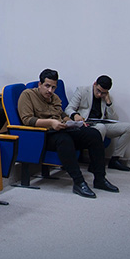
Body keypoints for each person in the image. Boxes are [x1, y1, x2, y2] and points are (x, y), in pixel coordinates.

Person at [18, 69, 118, 198]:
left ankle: (100, 178)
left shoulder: (54, 97)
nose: (50, 90)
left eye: (53, 87)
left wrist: (70, 121)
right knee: (64, 140)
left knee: (94, 134)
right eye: (47, 86)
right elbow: (27, 120)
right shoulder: (27, 95)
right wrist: (51, 122)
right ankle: (79, 182)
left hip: (60, 129)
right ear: (39, 84)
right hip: (43, 135)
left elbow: (62, 114)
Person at [65, 75, 130, 171]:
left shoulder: (106, 97)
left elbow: (114, 119)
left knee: (129, 128)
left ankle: (115, 160)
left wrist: (108, 102)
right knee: (101, 127)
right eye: (98, 91)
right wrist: (75, 115)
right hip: (86, 123)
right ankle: (95, 163)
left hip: (101, 123)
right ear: (95, 84)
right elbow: (69, 109)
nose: (99, 95)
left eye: (103, 93)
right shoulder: (82, 91)